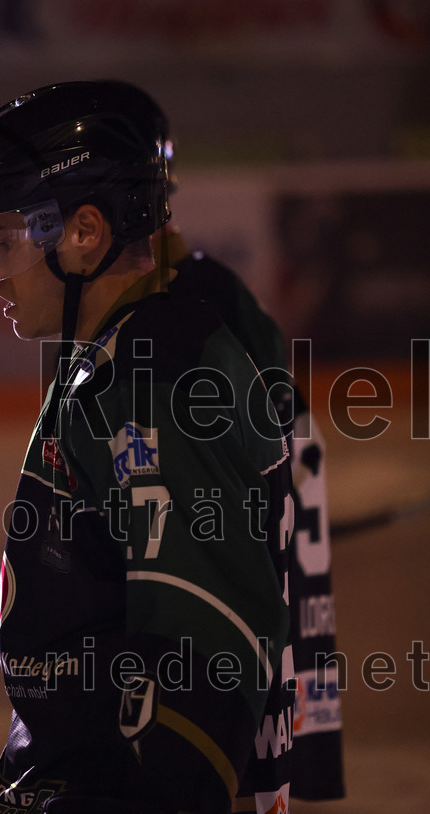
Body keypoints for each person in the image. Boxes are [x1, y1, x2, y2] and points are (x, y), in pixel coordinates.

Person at [0, 81, 295, 813]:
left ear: (86, 233)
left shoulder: (149, 382)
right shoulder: (118, 354)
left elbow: (205, 652)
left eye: (4, 240)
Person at [151, 104, 344, 802]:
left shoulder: (202, 301)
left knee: (250, 767)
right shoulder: (160, 303)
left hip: (231, 625)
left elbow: (282, 451)